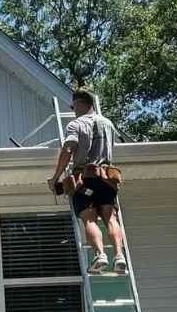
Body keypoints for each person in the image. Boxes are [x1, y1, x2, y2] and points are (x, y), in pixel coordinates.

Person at [48, 88, 125, 274]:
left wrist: (55, 177)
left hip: (86, 179)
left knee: (89, 218)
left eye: (74, 105)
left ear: (81, 103)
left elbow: (68, 150)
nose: (73, 109)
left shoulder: (76, 125)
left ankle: (100, 255)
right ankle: (119, 256)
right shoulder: (108, 124)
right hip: (107, 180)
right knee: (110, 217)